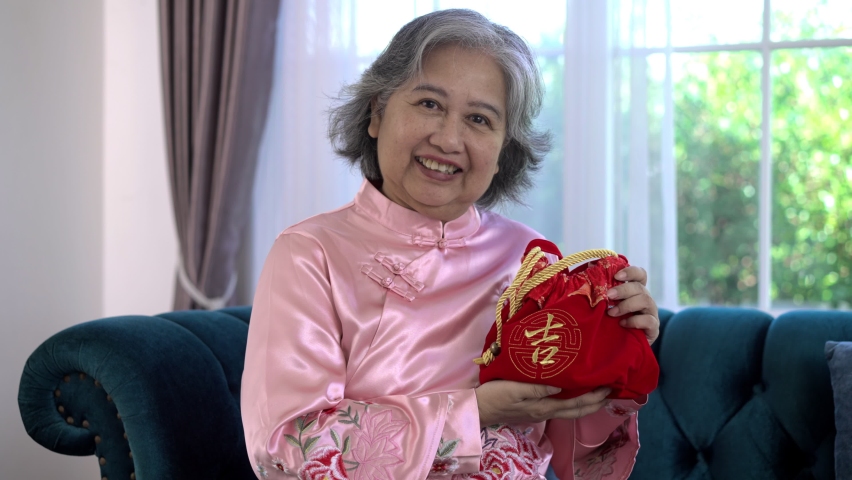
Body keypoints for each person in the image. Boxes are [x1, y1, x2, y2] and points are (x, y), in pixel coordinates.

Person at [241, 9, 659, 480]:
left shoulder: (533, 259)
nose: (448, 138)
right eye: (429, 104)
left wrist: (616, 348)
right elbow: (287, 446)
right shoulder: (308, 253)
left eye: (479, 119)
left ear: (504, 150)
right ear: (377, 113)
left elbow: (574, 460)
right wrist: (471, 414)